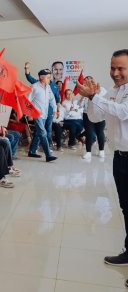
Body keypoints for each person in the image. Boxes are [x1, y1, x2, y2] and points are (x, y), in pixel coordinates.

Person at [76, 50, 128, 283]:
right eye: (113, 68)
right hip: (120, 157)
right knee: (126, 208)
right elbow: (96, 118)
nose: (115, 73)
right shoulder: (115, 91)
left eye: (121, 69)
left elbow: (123, 112)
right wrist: (92, 97)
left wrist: (96, 96)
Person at [27, 69, 58, 162]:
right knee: (43, 133)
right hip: (36, 114)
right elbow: (28, 101)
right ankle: (48, 155)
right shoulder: (34, 87)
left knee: (38, 133)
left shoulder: (48, 87)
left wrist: (55, 110)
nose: (50, 79)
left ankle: (32, 151)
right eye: (48, 77)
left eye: (50, 77)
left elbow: (52, 99)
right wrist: (30, 114)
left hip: (45, 113)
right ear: (41, 77)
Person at [80, 76, 107, 159]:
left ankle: (101, 150)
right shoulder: (84, 91)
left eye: (91, 81)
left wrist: (95, 93)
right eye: (86, 82)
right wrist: (82, 98)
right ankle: (88, 152)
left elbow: (105, 101)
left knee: (100, 132)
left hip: (99, 114)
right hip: (87, 114)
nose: (88, 83)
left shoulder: (102, 89)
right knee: (89, 133)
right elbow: (80, 105)